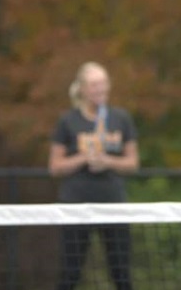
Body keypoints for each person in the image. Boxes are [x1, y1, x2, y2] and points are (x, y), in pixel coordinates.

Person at [48, 61, 140, 290]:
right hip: (76, 205)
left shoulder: (121, 119)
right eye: (94, 84)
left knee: (121, 271)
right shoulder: (67, 121)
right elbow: (55, 166)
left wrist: (107, 161)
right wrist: (84, 157)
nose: (100, 89)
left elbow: (133, 163)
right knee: (71, 271)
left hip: (113, 205)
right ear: (82, 88)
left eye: (103, 83)